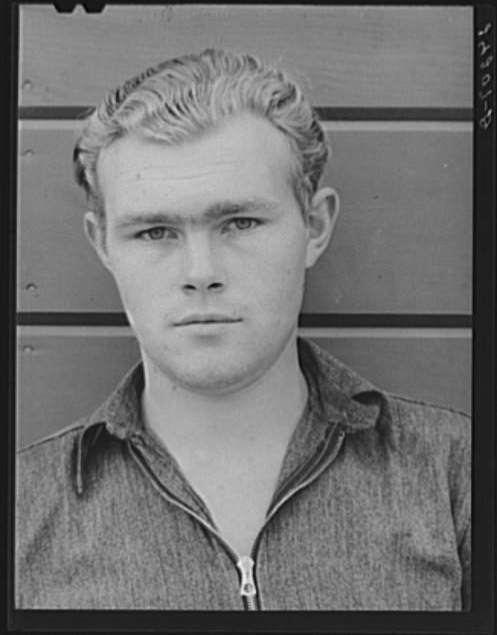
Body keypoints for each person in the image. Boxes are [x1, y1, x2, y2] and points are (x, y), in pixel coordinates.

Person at [15, 48, 471, 611]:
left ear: (316, 226)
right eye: (155, 232)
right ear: (102, 244)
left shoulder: (456, 473)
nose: (200, 273)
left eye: (240, 222)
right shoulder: (22, 509)